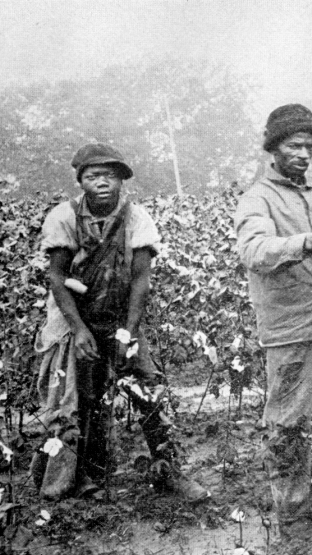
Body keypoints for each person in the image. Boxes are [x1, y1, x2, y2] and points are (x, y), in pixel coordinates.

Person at [31, 143, 206, 502]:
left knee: (148, 388)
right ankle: (81, 476)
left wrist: (129, 333)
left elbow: (141, 280)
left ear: (122, 181)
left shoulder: (136, 219)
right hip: (73, 317)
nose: (102, 183)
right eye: (93, 176)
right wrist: (79, 330)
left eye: (109, 176)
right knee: (80, 396)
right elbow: (57, 278)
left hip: (120, 315)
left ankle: (168, 470)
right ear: (81, 181)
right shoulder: (64, 217)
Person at [234, 104, 312, 539]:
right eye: (295, 145)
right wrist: (305, 242)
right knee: (288, 421)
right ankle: (293, 515)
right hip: (292, 326)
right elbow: (254, 251)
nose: (304, 154)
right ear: (274, 148)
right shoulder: (258, 198)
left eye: (309, 147)